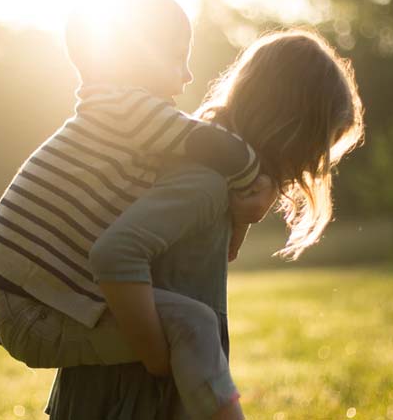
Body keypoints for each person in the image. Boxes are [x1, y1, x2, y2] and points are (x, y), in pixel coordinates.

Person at [0, 0, 274, 419]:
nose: (188, 75)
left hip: (30, 303)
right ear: (134, 57)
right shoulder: (126, 108)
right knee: (194, 324)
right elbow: (215, 146)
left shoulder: (112, 115)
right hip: (35, 310)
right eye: (176, 57)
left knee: (182, 324)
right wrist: (255, 188)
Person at [47, 29, 365, 419]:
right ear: (292, 129)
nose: (314, 164)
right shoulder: (205, 182)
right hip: (130, 393)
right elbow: (117, 253)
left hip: (146, 385)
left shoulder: (218, 180)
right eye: (321, 145)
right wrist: (158, 359)